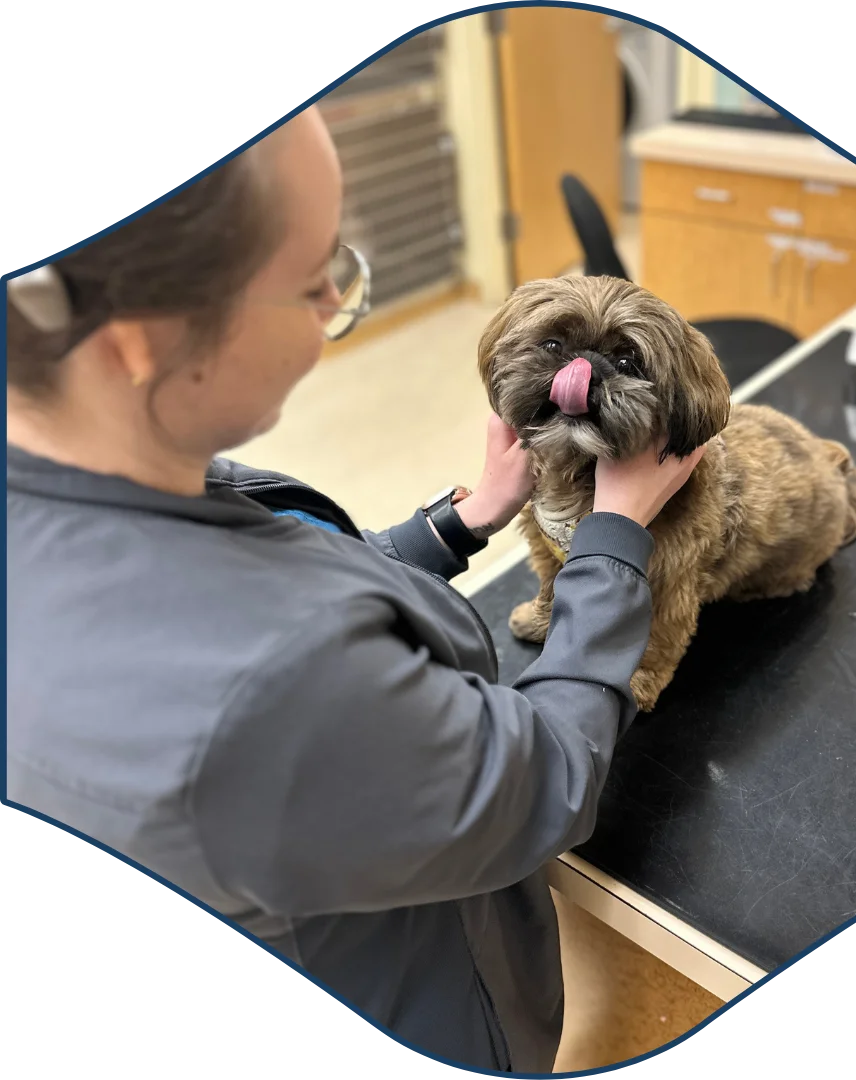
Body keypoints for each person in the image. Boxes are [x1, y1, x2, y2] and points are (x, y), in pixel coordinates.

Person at [6, 107, 706, 1072]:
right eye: (311, 283)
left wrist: (460, 521)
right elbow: (546, 777)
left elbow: (278, 565)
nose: (338, 295)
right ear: (138, 337)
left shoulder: (87, 476)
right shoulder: (267, 684)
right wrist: (616, 535)